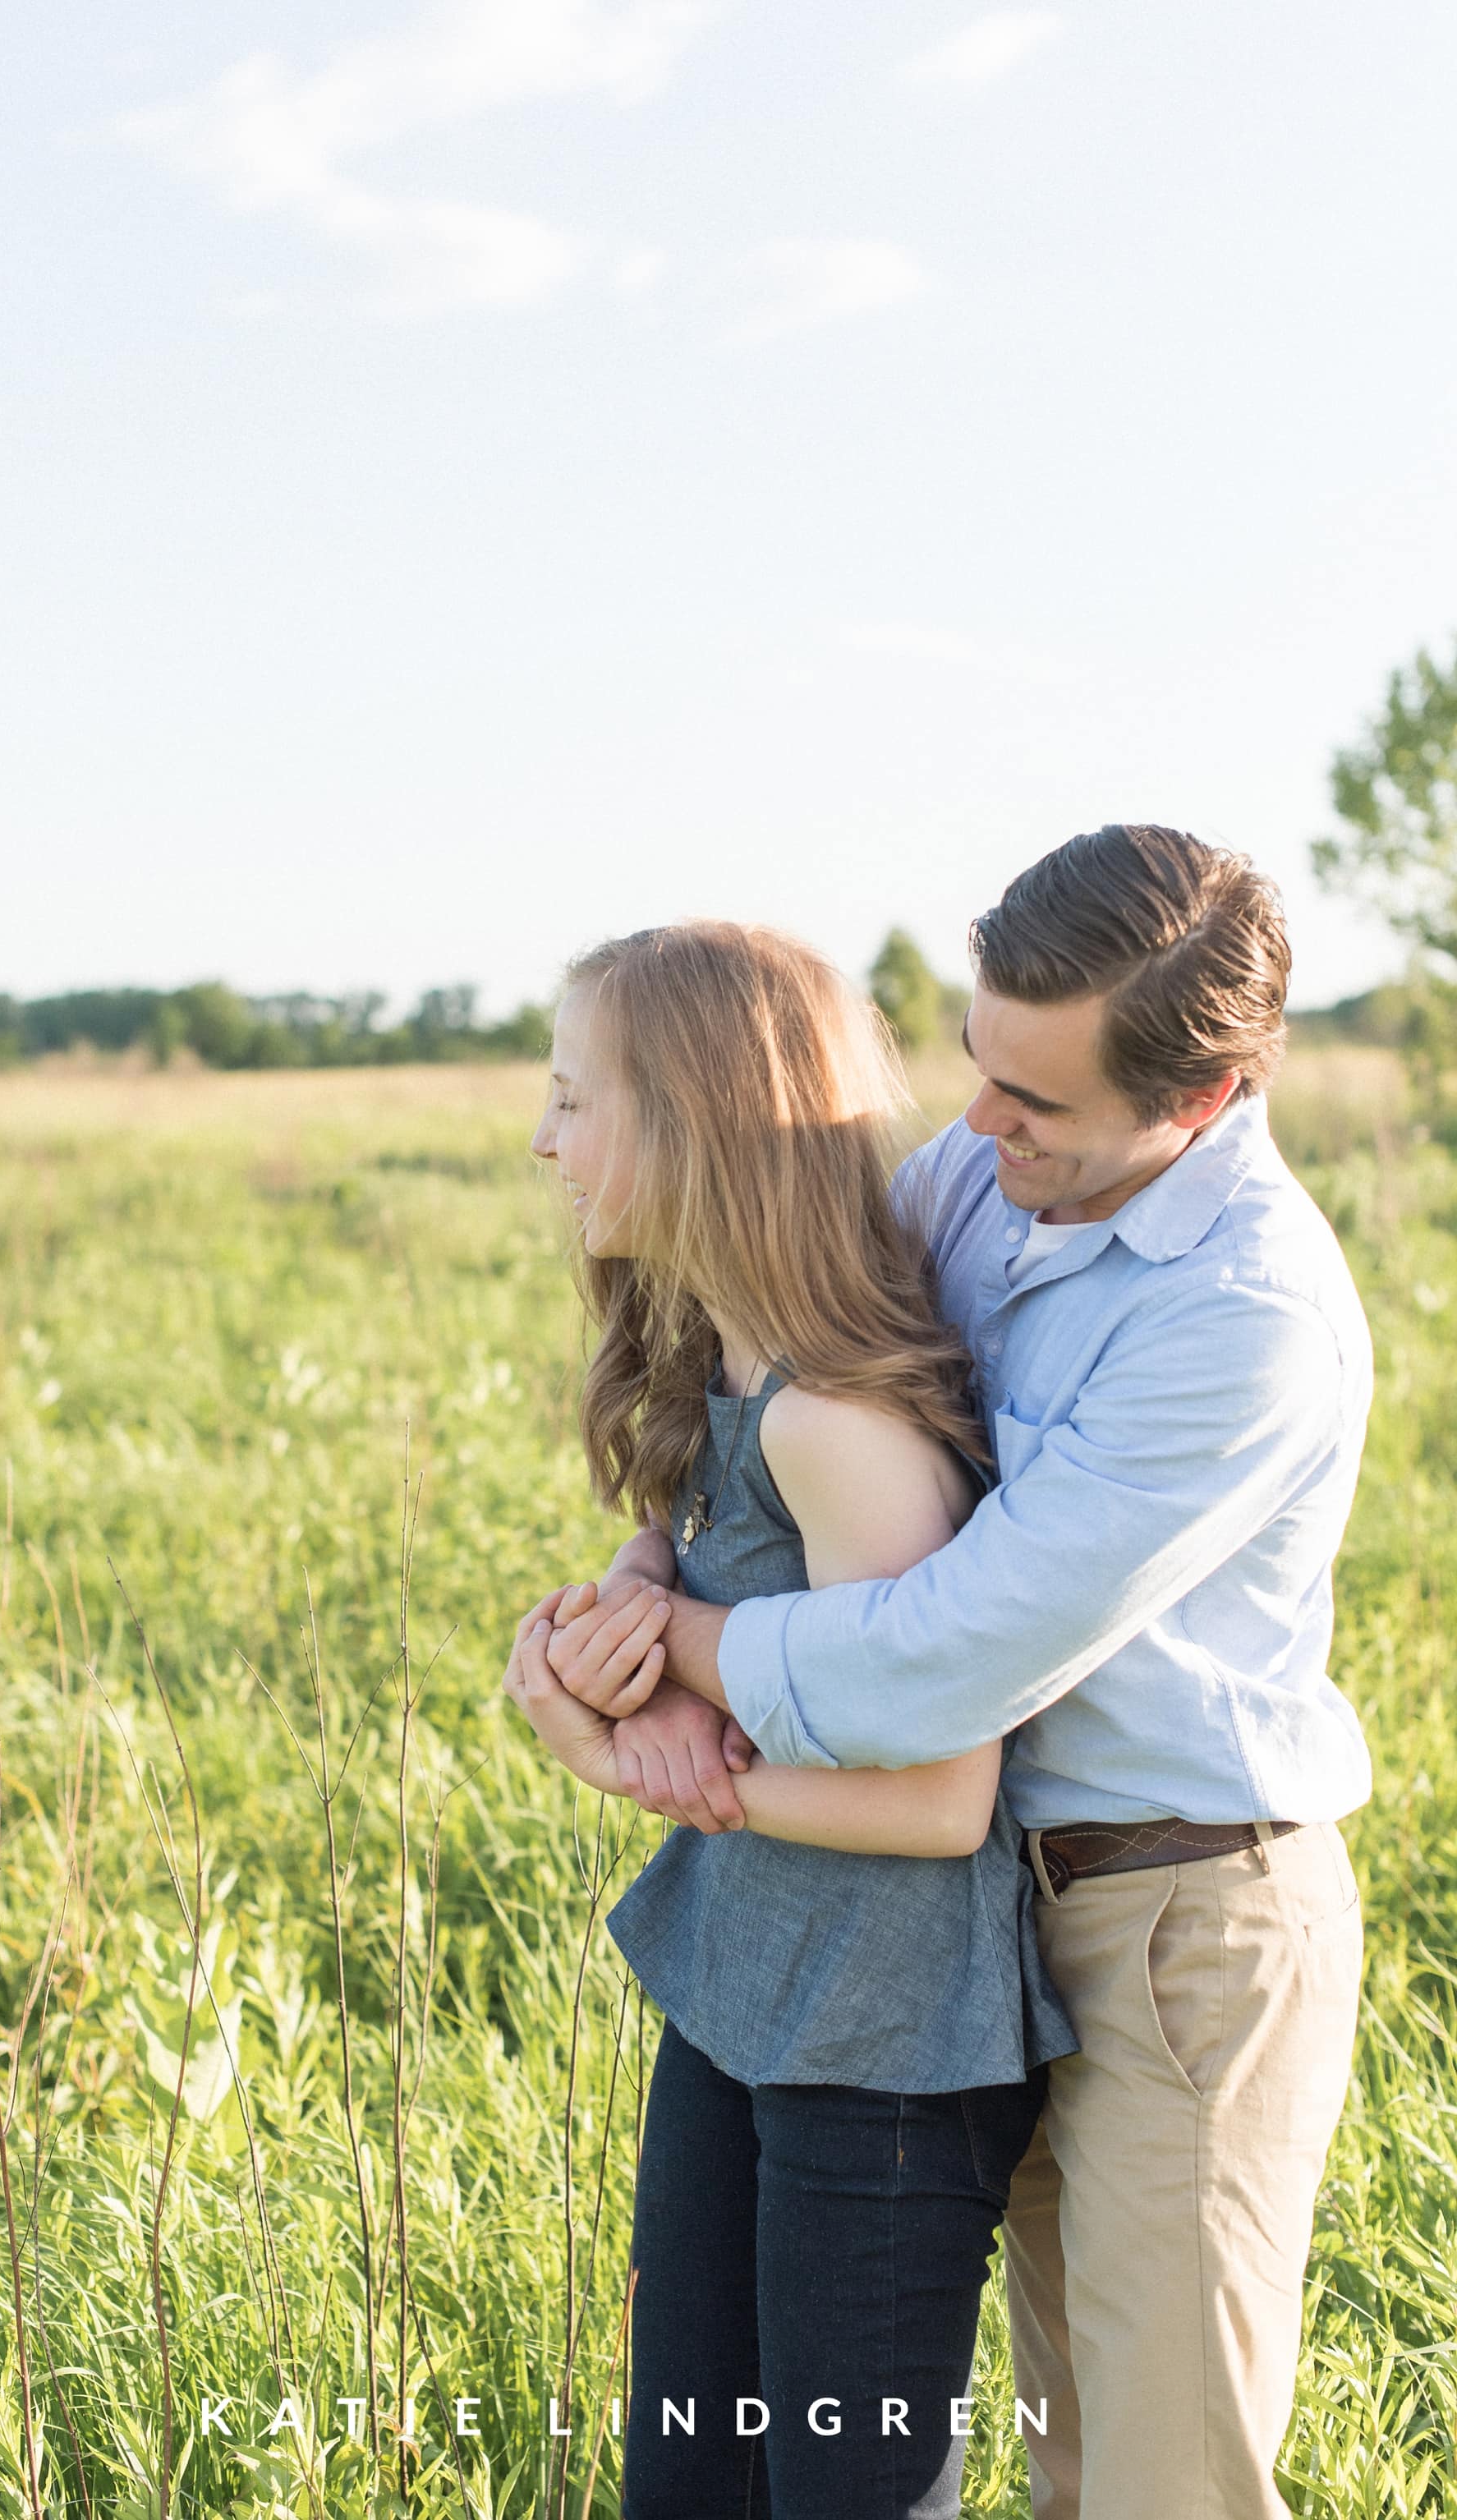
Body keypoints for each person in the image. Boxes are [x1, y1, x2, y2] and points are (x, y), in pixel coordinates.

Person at [548, 827, 1371, 2520]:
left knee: (1149, 2480)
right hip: (968, 1907)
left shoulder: (1245, 1315)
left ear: (1199, 1098)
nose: (972, 1127)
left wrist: (679, 1679)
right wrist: (636, 1579)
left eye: (1036, 1104)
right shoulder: (977, 1186)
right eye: (981, 1070)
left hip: (1172, 1923)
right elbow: (770, 1356)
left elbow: (942, 1661)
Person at [502, 919, 1077, 2519]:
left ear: (687, 1121)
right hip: (751, 1990)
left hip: (882, 2051)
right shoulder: (721, 1350)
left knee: (846, 2501)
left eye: (572, 1096)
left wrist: (667, 1769)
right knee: (683, 2482)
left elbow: (940, 1802)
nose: (543, 1137)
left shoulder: (839, 1421)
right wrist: (633, 1586)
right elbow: (715, 1563)